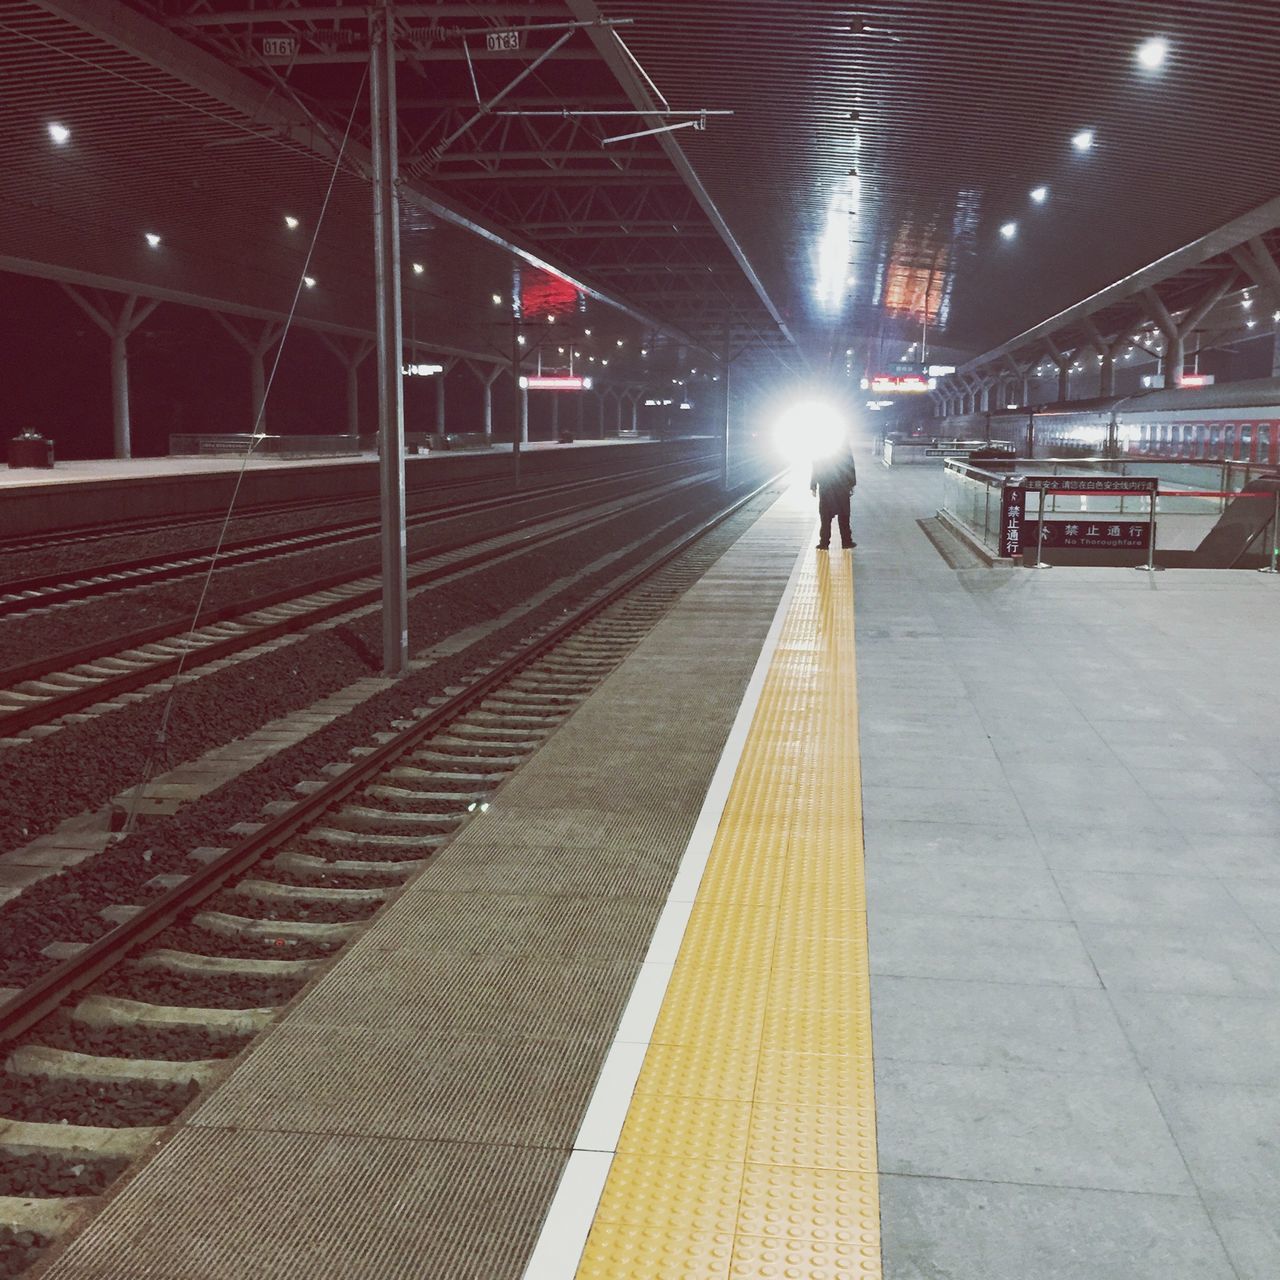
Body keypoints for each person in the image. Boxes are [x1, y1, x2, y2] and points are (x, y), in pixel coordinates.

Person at [810, 438, 857, 549]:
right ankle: (846, 542)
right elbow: (850, 463)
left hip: (826, 484)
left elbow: (815, 465)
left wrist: (813, 485)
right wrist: (851, 483)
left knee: (825, 516)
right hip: (842, 484)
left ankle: (824, 543)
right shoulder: (843, 441)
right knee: (844, 515)